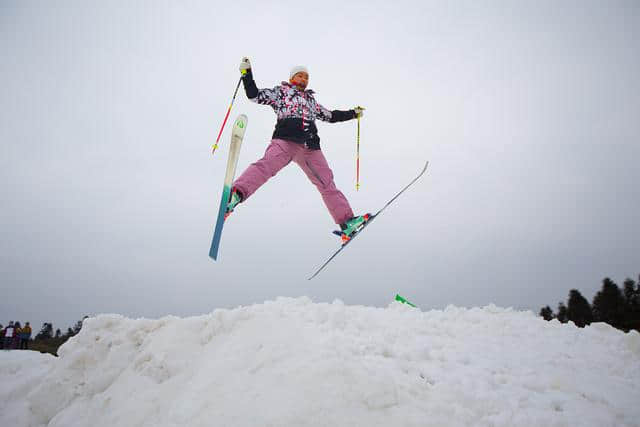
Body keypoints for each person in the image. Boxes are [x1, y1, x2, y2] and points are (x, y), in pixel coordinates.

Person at [225, 57, 370, 241]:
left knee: (326, 182)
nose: (304, 79)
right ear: (293, 77)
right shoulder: (281, 93)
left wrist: (353, 114)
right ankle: (235, 195)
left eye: (306, 77)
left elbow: (331, 116)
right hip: (286, 139)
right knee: (266, 166)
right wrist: (247, 74)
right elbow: (254, 95)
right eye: (300, 76)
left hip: (310, 146)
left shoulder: (311, 101)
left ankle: (346, 222)